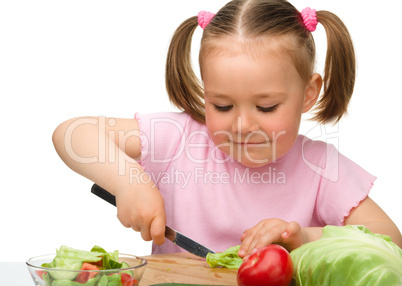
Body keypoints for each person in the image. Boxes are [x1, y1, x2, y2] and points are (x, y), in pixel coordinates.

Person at [52, 0, 402, 257]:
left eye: (266, 107)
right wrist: (129, 181)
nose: (242, 125)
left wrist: (307, 239)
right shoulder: (179, 138)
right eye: (221, 105)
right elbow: (73, 133)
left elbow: (390, 239)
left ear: (308, 93)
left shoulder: (321, 167)